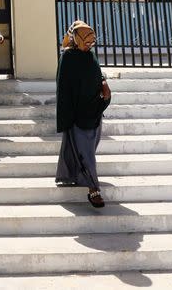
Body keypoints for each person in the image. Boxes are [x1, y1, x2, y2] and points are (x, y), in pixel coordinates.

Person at [55, 20, 112, 207]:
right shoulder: (68, 57)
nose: (90, 44)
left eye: (92, 41)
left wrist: (103, 83)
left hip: (93, 110)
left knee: (83, 149)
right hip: (77, 114)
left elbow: (97, 73)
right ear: (76, 39)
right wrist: (68, 116)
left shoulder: (90, 56)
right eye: (86, 41)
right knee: (85, 152)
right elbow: (63, 88)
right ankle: (93, 189)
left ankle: (72, 175)